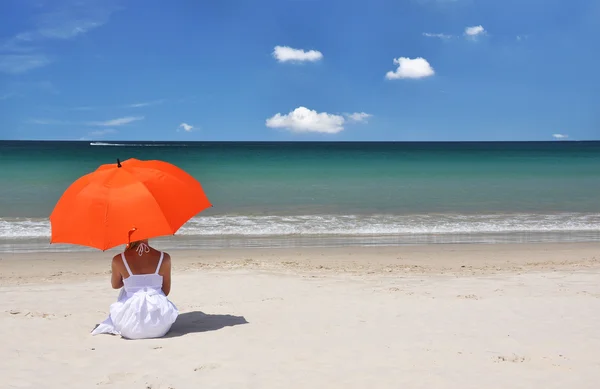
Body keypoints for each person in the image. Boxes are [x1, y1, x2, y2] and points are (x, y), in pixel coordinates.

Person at [91, 239, 179, 339]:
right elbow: (166, 291)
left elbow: (115, 285)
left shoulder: (119, 259)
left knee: (127, 290)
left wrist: (132, 281)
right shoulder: (164, 258)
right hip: (160, 327)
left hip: (130, 328)